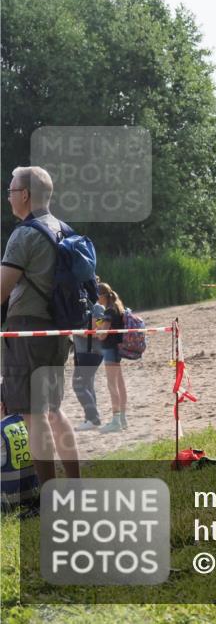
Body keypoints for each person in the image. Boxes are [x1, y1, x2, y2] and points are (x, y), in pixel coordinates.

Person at [0, 166, 80, 488]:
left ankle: (50, 494)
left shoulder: (25, 235)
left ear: (26, 195)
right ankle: (74, 485)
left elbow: (2, 290)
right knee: (53, 411)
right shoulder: (64, 230)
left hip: (29, 331)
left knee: (34, 416)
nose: (8, 197)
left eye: (11, 191)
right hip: (58, 331)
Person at [95, 282, 129, 432]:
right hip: (117, 349)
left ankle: (116, 420)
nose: (97, 299)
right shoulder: (117, 307)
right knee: (119, 384)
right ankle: (122, 418)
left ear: (102, 296)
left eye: (97, 296)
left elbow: (103, 335)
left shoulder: (109, 311)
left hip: (110, 349)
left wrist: (96, 332)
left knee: (112, 385)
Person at [71, 302, 105, 430]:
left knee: (78, 385)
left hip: (91, 352)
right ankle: (90, 418)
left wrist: (74, 330)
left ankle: (93, 418)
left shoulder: (98, 308)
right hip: (82, 352)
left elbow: (95, 331)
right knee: (88, 385)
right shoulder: (81, 306)